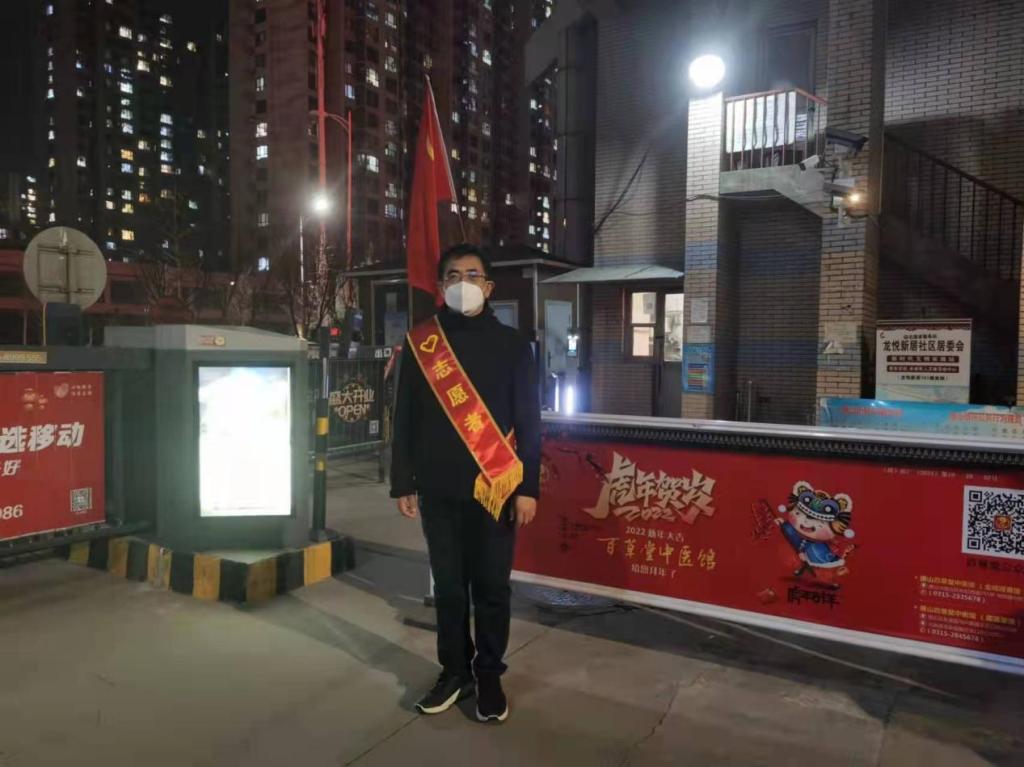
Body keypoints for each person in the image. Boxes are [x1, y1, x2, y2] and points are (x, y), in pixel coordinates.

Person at [390, 243, 541, 724]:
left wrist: (529, 487)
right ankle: (454, 672)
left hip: (495, 488)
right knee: (451, 590)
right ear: (440, 286)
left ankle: (489, 675)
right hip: (438, 488)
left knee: (492, 588)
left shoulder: (513, 345)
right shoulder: (422, 344)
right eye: (453, 275)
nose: (463, 283)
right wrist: (402, 481)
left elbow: (530, 421)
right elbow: (405, 416)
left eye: (472, 275)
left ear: (488, 286)